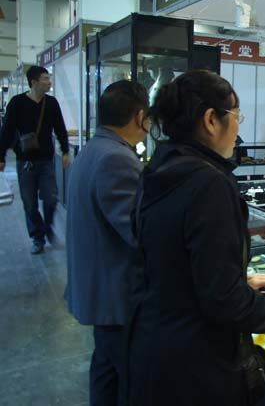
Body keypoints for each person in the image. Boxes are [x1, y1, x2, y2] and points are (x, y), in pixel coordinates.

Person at [127, 70, 265, 406]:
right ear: (211, 120)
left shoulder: (160, 168)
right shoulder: (209, 183)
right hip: (196, 369)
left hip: (152, 347)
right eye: (237, 115)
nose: (238, 127)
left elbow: (169, 263)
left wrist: (238, 279)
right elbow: (226, 305)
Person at [65, 80, 149, 406]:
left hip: (98, 289)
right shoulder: (117, 158)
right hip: (116, 295)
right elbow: (136, 231)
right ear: (140, 116)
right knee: (127, 380)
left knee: (106, 373)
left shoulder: (93, 149)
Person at [0, 65, 69, 254]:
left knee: (51, 198)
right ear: (34, 82)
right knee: (29, 204)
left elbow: (60, 128)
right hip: (25, 162)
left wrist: (65, 150)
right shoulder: (17, 103)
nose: (49, 82)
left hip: (46, 161)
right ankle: (37, 238)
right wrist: (1, 156)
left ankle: (47, 227)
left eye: (49, 78)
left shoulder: (51, 103)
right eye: (45, 79)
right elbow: (6, 131)